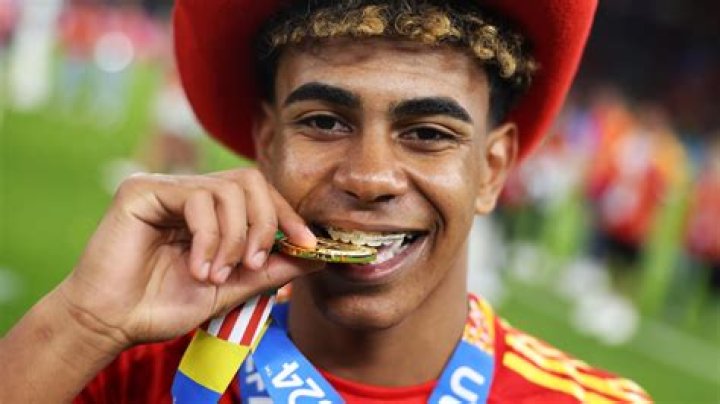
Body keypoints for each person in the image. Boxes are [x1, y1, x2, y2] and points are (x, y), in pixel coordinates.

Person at [0, 0, 651, 402]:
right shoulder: (130, 371)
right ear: (267, 142)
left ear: (491, 169)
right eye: (324, 122)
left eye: (428, 133)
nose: (370, 177)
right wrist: (83, 322)